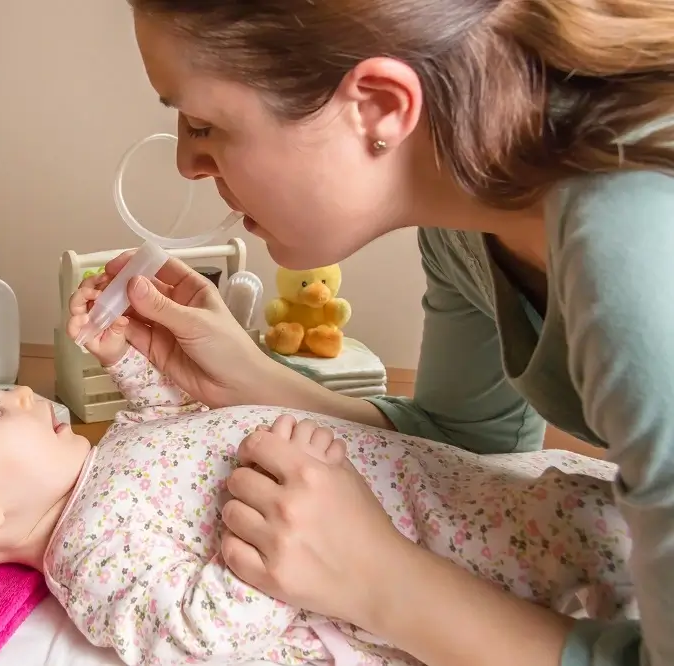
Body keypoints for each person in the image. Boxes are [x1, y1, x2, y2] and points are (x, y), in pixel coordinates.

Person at [99, 2, 674, 666]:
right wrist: (250, 380)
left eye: (203, 123)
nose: (186, 163)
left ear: (376, 105)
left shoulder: (637, 249)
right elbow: (468, 445)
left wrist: (377, 582)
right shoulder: (468, 229)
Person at [0, 279, 632, 666]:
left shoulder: (102, 464)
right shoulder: (91, 558)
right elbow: (201, 636)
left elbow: (172, 423)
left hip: (456, 486)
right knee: (588, 562)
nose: (22, 392)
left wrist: (129, 359)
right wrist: (280, 542)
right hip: (440, 548)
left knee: (576, 506)